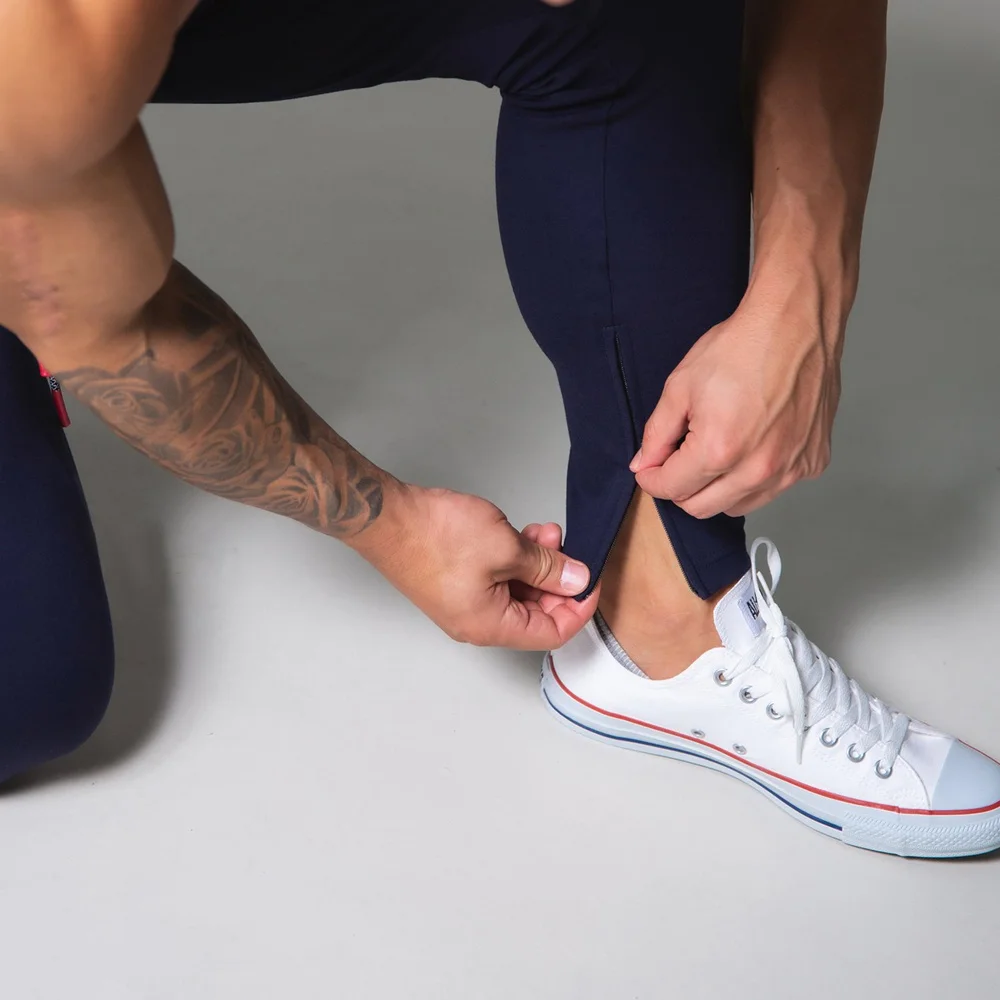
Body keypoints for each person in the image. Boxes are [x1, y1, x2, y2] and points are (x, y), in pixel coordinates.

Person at [1, 0, 998, 857]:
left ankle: (671, 624)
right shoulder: (51, 54)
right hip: (29, 111)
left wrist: (802, 294)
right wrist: (390, 526)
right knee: (33, 691)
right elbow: (104, 326)